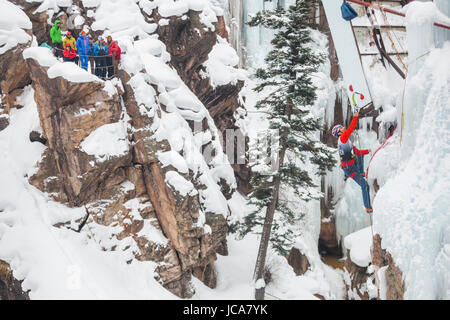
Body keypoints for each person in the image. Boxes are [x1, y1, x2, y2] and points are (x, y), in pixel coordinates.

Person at [332, 111, 373, 213]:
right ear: (339, 132)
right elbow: (351, 128)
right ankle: (368, 207)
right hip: (349, 169)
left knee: (359, 155)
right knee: (365, 185)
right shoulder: (343, 138)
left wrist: (368, 151)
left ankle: (361, 172)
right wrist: (355, 116)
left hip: (352, 165)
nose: (343, 127)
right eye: (341, 128)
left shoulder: (346, 141)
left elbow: (358, 152)